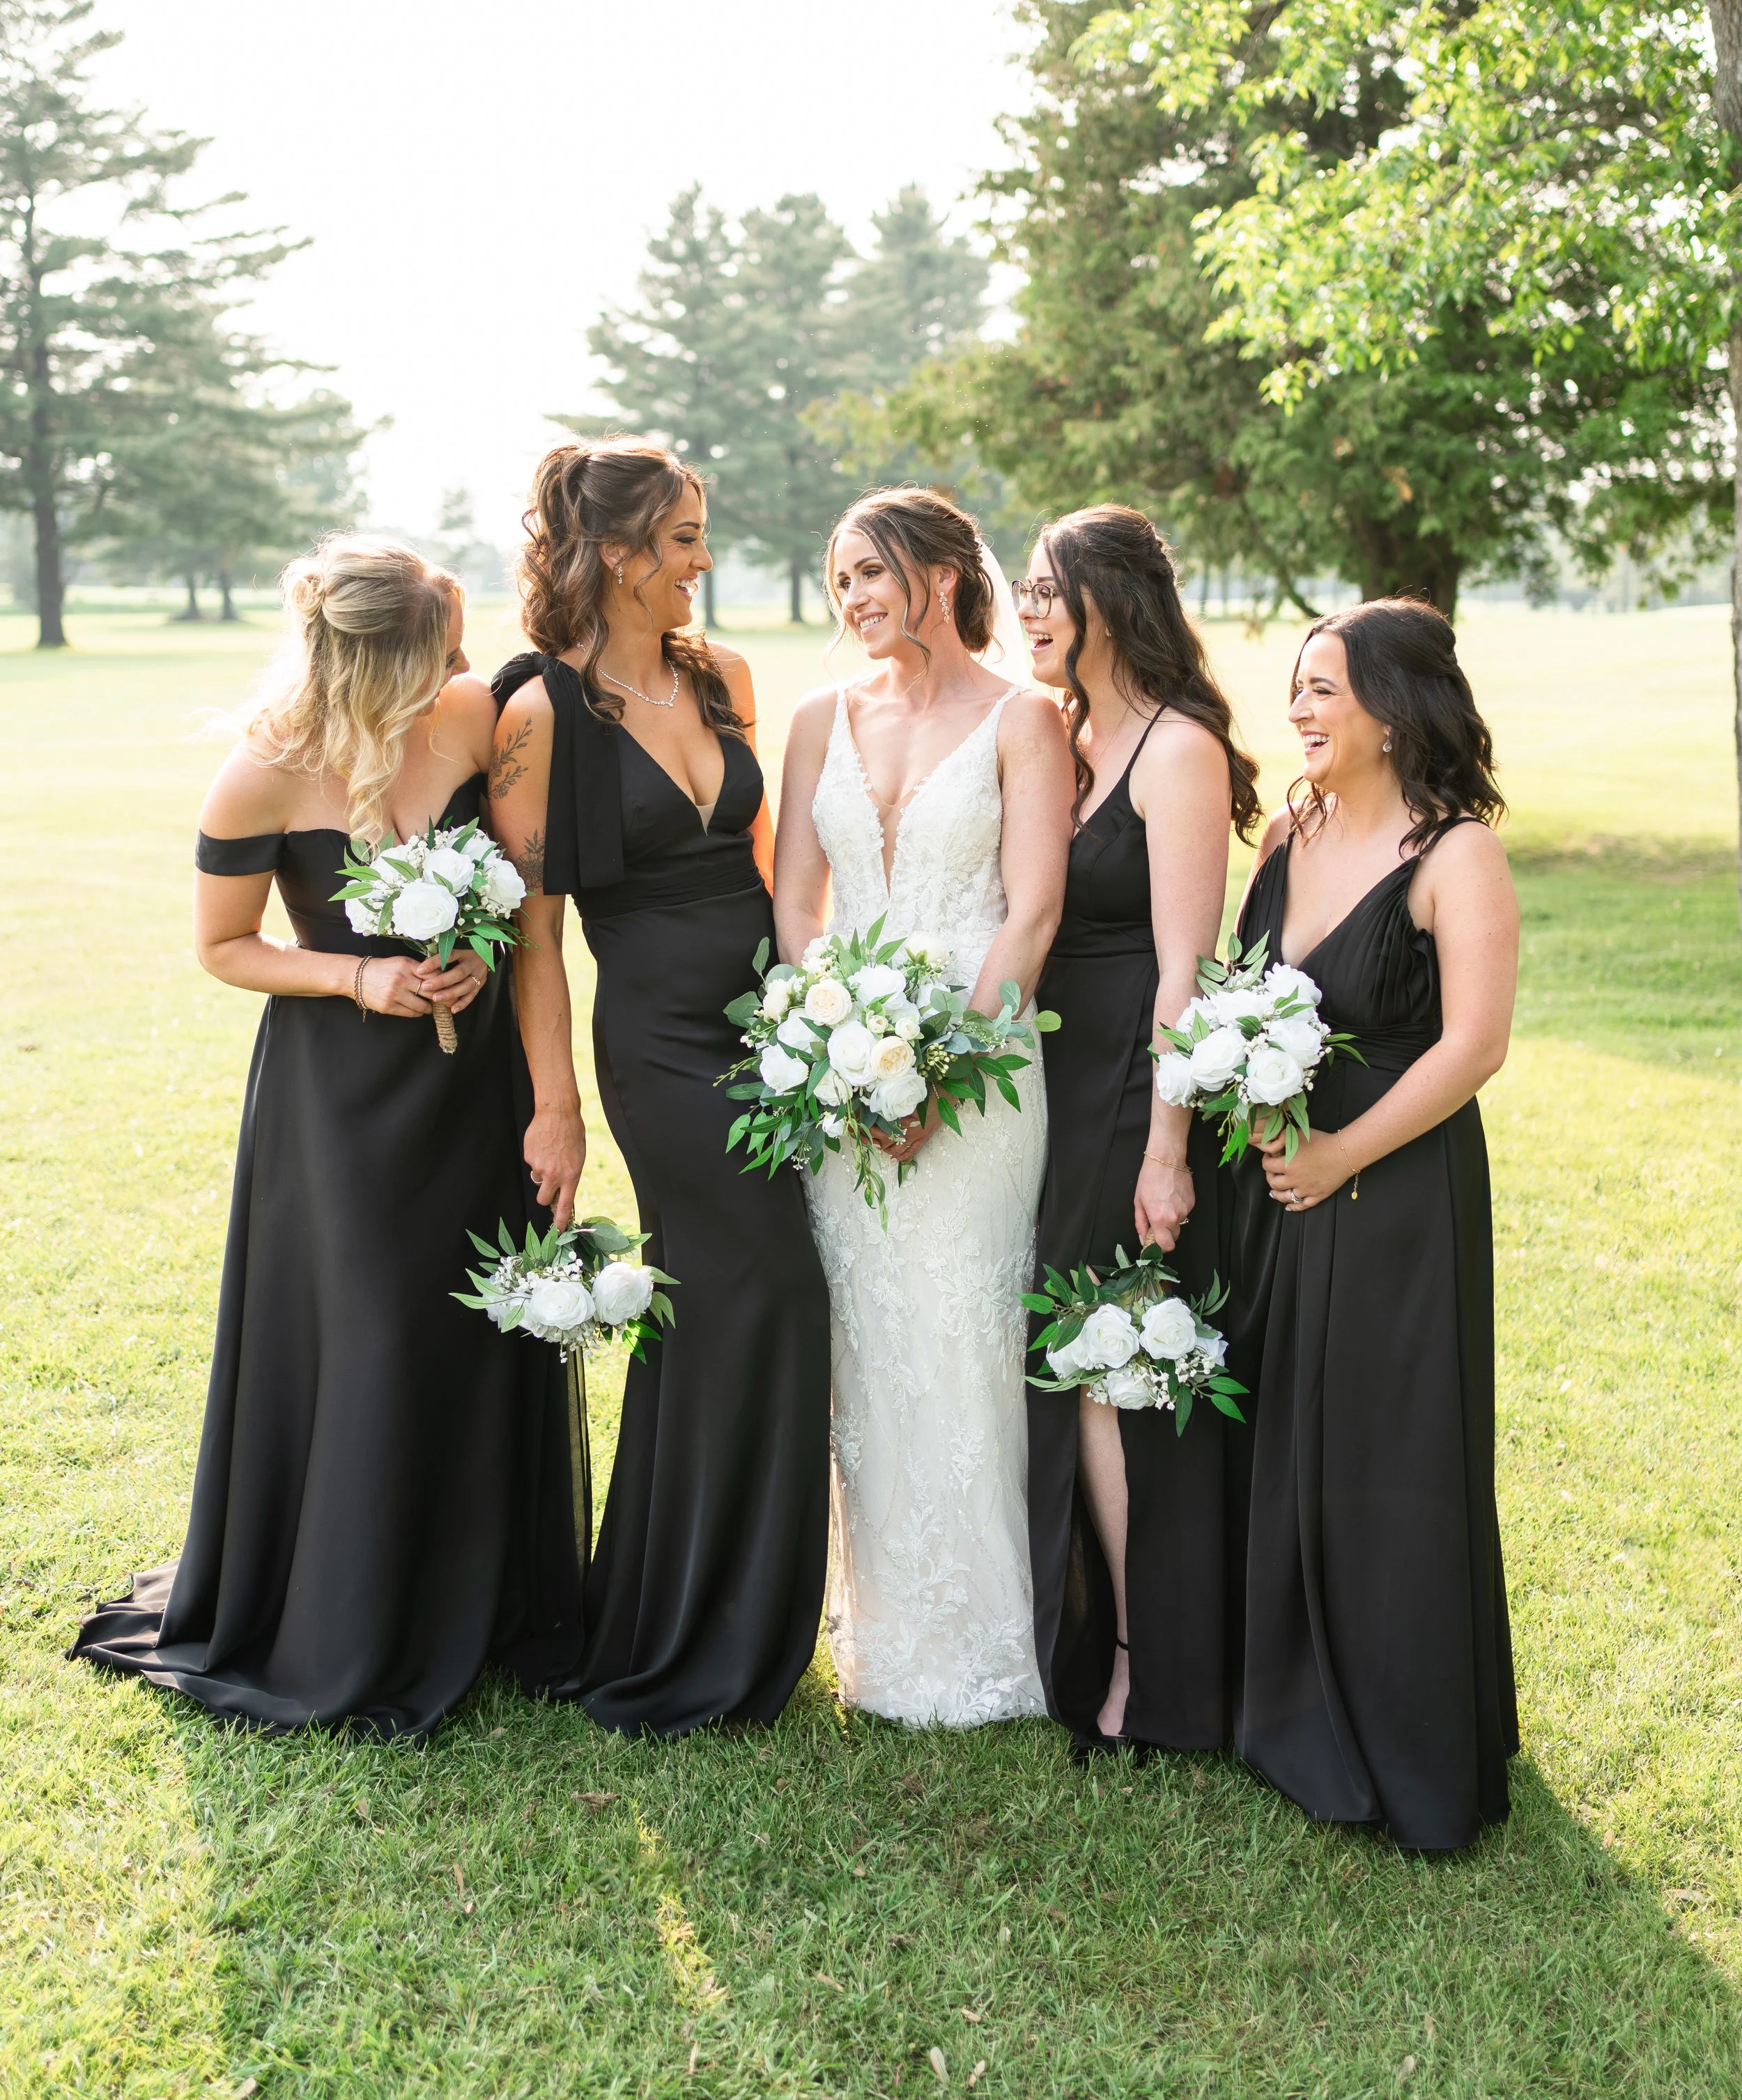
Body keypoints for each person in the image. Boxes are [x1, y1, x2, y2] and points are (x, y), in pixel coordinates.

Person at [72, 540, 583, 1737]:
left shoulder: (465, 717)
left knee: (475, 1318)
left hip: (475, 1087)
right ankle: (359, 1615)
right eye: (419, 658)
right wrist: (359, 979)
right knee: (374, 1329)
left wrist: (485, 971)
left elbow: (525, 902)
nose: (448, 672)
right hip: (340, 1106)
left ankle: (489, 1599)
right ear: (353, 655)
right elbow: (222, 946)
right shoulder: (260, 771)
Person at [488, 440, 830, 1736]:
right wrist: (556, 1101)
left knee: (755, 1299)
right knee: (761, 1279)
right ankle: (685, 1622)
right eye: (684, 538)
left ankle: (714, 1600)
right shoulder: (539, 715)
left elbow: (768, 866)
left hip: (782, 1037)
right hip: (662, 1045)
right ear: (618, 554)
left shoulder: (723, 674)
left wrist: (827, 1012)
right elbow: (534, 933)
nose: (702, 560)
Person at [774, 487, 1074, 1727]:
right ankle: (884, 1637)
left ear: (944, 574)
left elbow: (1033, 913)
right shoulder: (813, 720)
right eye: (840, 578)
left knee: (967, 1334)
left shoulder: (1026, 719)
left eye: (872, 572)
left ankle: (1001, 1645)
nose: (853, 599)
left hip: (984, 1073)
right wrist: (838, 1051)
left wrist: (943, 1070)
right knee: (868, 1338)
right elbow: (798, 905)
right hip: (846, 1084)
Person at [1228, 596, 1519, 1851]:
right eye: (1294, 686)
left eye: (1324, 688)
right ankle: (1291, 1700)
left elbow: (1476, 1044)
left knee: (1390, 1456)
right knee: (1288, 1432)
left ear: (1394, 710)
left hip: (1396, 1186)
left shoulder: (1457, 854)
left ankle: (1407, 1733)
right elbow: (1238, 996)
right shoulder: (1289, 829)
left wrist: (1343, 1150)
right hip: (1277, 1179)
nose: (1298, 708)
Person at [1017, 507, 1261, 1758]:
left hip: (1131, 1081)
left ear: (1117, 596)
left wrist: (1168, 1148)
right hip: (1050, 1086)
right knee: (1071, 1361)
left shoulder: (1179, 749)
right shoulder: (1069, 731)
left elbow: (1188, 971)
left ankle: (1146, 1670)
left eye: (1052, 588)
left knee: (1113, 1368)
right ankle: (1079, 1633)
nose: (1032, 609)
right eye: (1023, 589)